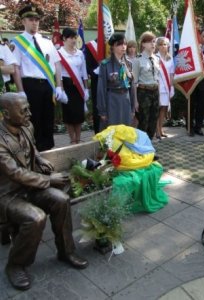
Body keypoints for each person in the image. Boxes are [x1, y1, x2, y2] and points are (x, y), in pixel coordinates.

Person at [0, 93, 88, 291]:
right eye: (23, 111)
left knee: (62, 199)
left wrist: (39, 160)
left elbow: (31, 150)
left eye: (28, 108)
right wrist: (49, 179)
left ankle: (66, 251)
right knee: (36, 218)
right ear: (6, 114)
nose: (29, 114)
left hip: (30, 186)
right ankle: (15, 265)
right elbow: (15, 172)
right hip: (7, 195)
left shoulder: (27, 127)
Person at [12, 4, 66, 151]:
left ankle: (49, 151)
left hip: (47, 85)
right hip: (30, 85)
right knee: (32, 120)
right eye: (31, 19)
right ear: (23, 21)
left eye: (37, 19)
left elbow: (57, 64)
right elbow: (16, 68)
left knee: (48, 119)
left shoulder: (46, 41)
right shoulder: (17, 42)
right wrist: (20, 90)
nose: (34, 22)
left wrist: (59, 85)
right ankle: (33, 153)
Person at [97, 33, 136, 130]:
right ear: (113, 46)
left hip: (125, 99)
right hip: (112, 100)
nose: (123, 46)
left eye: (125, 44)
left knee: (126, 129)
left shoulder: (128, 64)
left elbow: (132, 86)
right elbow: (101, 89)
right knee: (112, 130)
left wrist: (133, 107)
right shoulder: (105, 64)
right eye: (120, 44)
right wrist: (102, 111)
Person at [59, 28, 89, 144]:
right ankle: (72, 140)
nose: (73, 40)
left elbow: (84, 72)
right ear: (64, 39)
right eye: (71, 38)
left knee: (78, 114)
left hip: (78, 87)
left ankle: (78, 138)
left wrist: (86, 89)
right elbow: (58, 73)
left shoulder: (80, 53)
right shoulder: (59, 53)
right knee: (69, 114)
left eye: (75, 37)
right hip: (66, 86)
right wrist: (60, 89)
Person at [132, 31, 160, 139]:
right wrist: (135, 101)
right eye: (149, 42)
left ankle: (149, 148)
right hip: (144, 92)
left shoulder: (157, 59)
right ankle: (141, 150)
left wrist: (159, 96)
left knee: (153, 121)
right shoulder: (137, 60)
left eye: (153, 41)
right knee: (143, 122)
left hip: (155, 91)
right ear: (143, 44)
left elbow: (157, 78)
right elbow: (134, 82)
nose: (153, 44)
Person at [155, 37, 174, 139]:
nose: (163, 46)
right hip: (158, 88)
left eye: (165, 44)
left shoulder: (170, 58)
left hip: (166, 88)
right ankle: (157, 130)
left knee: (163, 109)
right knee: (158, 109)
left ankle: (161, 128)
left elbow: (171, 74)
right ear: (157, 46)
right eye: (161, 44)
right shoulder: (155, 57)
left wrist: (172, 88)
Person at [85, 39, 100, 134]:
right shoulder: (90, 46)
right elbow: (87, 67)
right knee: (97, 107)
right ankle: (98, 132)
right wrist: (96, 71)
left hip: (111, 83)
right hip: (97, 81)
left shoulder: (112, 43)